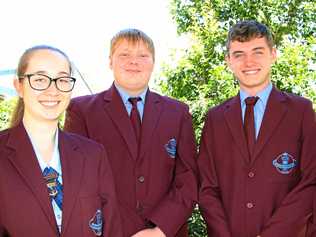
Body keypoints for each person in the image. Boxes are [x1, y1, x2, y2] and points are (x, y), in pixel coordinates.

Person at [64, 29, 198, 237]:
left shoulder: (178, 113)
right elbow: (78, 181)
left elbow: (189, 179)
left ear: (153, 62)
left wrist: (160, 230)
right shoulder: (81, 111)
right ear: (110, 61)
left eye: (143, 56)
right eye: (124, 54)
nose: (133, 62)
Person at [198, 20, 316, 237]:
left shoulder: (301, 111)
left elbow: (311, 182)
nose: (248, 61)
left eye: (258, 52)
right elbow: (207, 189)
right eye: (239, 54)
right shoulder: (215, 119)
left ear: (273, 54)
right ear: (228, 61)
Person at [0, 45, 122, 237]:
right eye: (40, 79)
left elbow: (113, 229)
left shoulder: (93, 155)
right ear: (19, 86)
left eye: (62, 80)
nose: (53, 89)